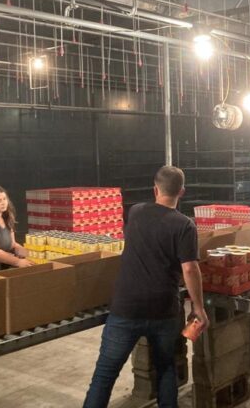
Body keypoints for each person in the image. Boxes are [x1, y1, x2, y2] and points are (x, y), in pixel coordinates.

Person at [83, 166, 208, 408]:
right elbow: (190, 269)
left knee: (104, 375)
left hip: (127, 307)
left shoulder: (137, 212)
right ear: (182, 192)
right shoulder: (185, 225)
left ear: (155, 189)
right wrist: (198, 307)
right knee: (165, 368)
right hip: (163, 309)